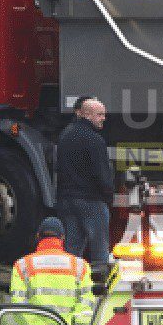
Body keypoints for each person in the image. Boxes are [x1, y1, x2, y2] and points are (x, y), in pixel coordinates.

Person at [9, 217, 94, 325]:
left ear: (38, 236)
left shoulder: (22, 266)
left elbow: (19, 308)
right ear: (62, 238)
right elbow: (85, 305)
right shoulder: (80, 266)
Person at [56, 96, 114, 269]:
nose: (104, 118)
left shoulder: (65, 135)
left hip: (67, 200)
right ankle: (99, 287)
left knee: (72, 249)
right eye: (100, 115)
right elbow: (102, 173)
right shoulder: (95, 140)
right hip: (91, 200)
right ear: (87, 115)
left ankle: (70, 284)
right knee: (100, 250)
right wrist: (108, 197)